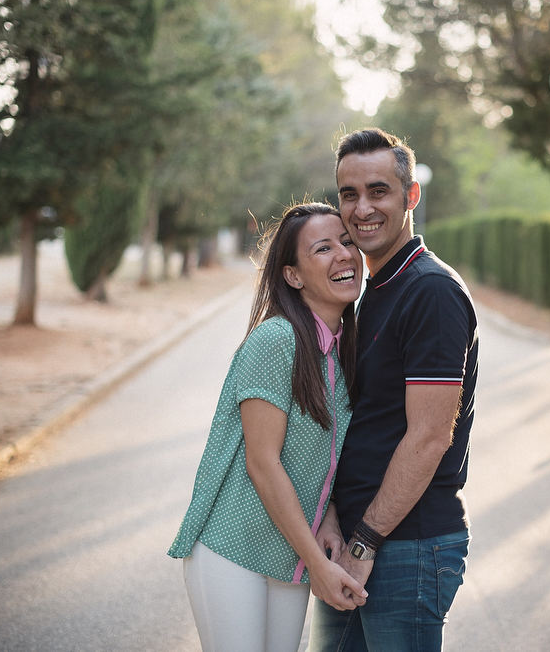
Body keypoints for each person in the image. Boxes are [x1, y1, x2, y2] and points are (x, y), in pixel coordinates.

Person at [168, 202, 368, 651]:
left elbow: (325, 456)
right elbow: (263, 463)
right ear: (293, 275)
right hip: (231, 549)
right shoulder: (276, 340)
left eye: (348, 242)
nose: (343, 254)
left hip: (288, 556)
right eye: (323, 248)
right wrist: (318, 563)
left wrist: (329, 518)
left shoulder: (340, 350)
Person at [309, 129, 479, 651]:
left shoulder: (429, 292)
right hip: (358, 543)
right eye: (349, 194)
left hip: (405, 548)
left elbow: (428, 438)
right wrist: (335, 516)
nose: (362, 209)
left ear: (411, 196)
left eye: (378, 191)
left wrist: (365, 541)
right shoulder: (371, 289)